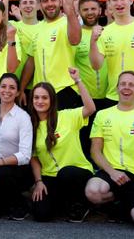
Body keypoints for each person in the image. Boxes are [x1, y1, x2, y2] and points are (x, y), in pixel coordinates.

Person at [85, 71, 134, 230]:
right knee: (93, 191)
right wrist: (112, 172)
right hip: (112, 171)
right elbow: (95, 151)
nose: (126, 88)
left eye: (131, 85)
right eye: (123, 84)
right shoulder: (102, 114)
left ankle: (124, 205)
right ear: (117, 88)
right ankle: (118, 202)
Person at [29, 68, 96, 223]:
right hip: (50, 176)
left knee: (66, 174)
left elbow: (90, 108)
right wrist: (39, 182)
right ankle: (63, 205)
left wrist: (78, 81)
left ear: (52, 100)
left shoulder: (66, 116)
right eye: (36, 97)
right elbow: (34, 158)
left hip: (77, 172)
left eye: (44, 98)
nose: (40, 101)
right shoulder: (30, 125)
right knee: (41, 214)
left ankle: (81, 204)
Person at [0, 73, 33, 220]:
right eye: (3, 86)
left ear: (17, 92)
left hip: (18, 170)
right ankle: (7, 203)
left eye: (12, 88)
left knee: (2, 173)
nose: (7, 91)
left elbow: (25, 156)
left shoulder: (23, 117)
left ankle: (21, 203)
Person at [20, 0, 82, 110]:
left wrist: (69, 10)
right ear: (40, 5)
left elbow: (75, 40)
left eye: (53, 0)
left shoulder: (68, 22)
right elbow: (31, 61)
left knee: (62, 130)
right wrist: (21, 89)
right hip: (40, 94)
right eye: (45, 1)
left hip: (64, 90)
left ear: (60, 2)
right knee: (41, 129)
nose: (49, 4)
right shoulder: (38, 29)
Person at [10, 0, 40, 88]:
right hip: (14, 83)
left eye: (31, 2)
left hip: (39, 83)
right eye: (24, 3)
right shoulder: (13, 25)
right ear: (19, 6)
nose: (28, 6)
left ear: (38, 6)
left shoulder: (45, 27)